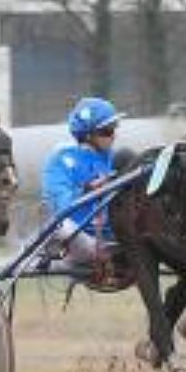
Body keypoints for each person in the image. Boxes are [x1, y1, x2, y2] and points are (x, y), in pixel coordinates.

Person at [41, 96, 121, 270]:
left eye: (114, 129)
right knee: (62, 227)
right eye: (107, 131)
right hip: (79, 236)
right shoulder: (61, 159)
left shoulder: (114, 157)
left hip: (115, 235)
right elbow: (61, 206)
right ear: (88, 135)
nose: (113, 136)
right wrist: (88, 189)